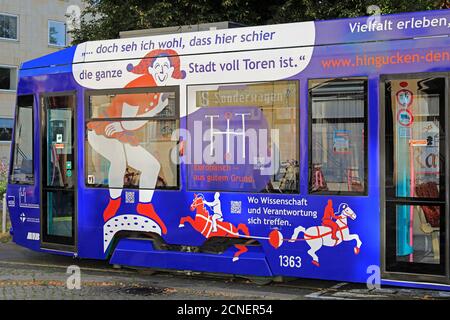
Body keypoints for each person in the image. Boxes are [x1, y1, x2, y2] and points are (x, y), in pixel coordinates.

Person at [87, 49, 186, 235]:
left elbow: (127, 125)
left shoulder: (157, 89)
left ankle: (144, 206)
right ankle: (113, 204)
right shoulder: (142, 85)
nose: (162, 70)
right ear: (151, 68)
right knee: (119, 160)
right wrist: (157, 108)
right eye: (158, 66)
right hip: (103, 129)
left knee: (152, 166)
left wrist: (157, 107)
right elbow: (127, 122)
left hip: (121, 132)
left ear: (173, 69)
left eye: (167, 66)